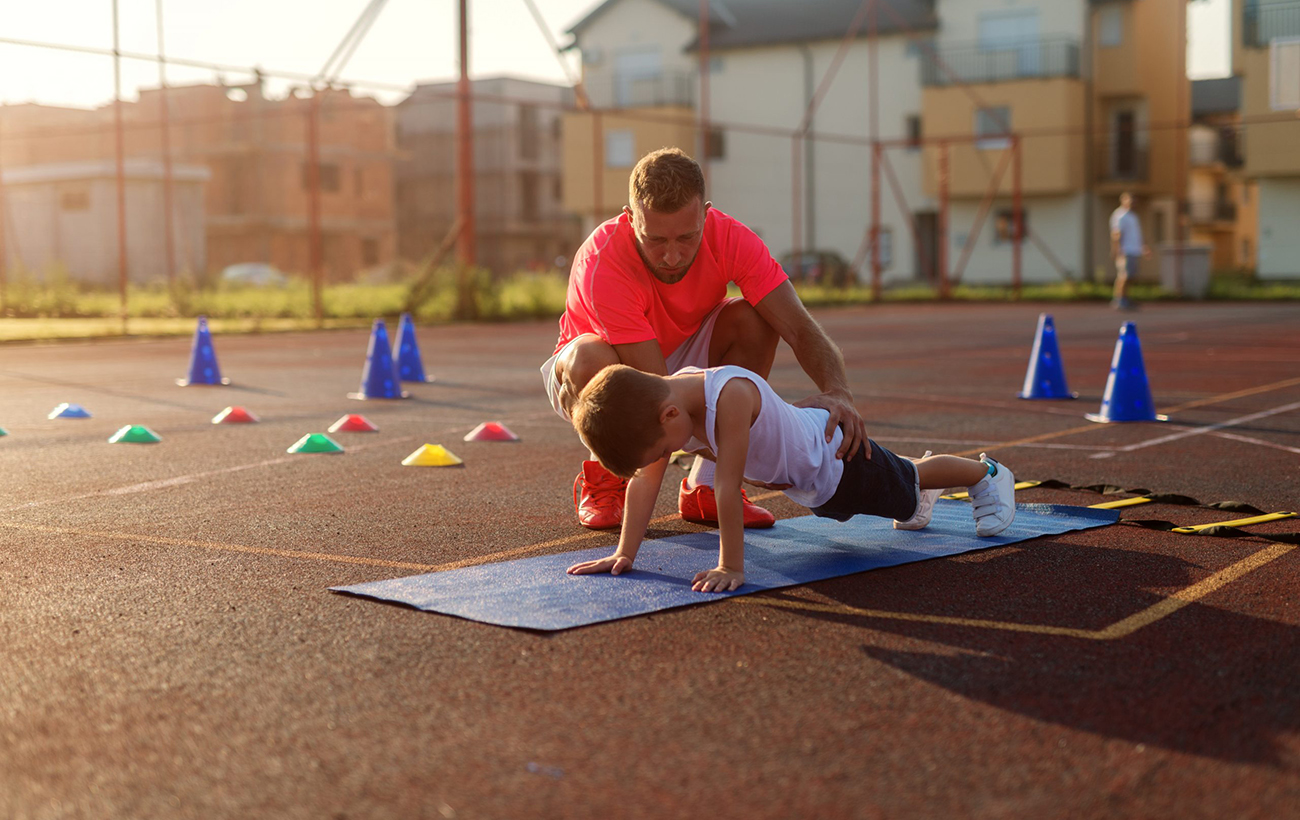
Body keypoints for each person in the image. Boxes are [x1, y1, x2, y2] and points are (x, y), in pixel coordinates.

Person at [542, 147, 867, 531]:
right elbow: (656, 398)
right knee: (589, 358)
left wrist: (838, 392)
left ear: (705, 213)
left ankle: (707, 487)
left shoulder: (731, 238)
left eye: (687, 237)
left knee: (755, 319)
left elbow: (799, 327)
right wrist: (749, 453)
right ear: (630, 220)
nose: (673, 256)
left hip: (683, 349)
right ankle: (606, 476)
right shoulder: (603, 262)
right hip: (602, 372)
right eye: (656, 240)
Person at [566, 364, 1016, 593]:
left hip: (840, 459)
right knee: (902, 492)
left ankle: (987, 473)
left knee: (910, 482)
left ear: (668, 415)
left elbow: (726, 485)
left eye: (665, 450)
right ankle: (919, 491)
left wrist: (731, 566)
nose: (669, 457)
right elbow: (645, 482)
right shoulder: (668, 408)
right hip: (814, 485)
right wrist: (624, 553)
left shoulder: (729, 396)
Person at [1109, 192, 1151, 311]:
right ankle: (1119, 299)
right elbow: (1116, 234)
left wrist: (1144, 247)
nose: (1132, 202)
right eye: (1130, 200)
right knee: (1124, 275)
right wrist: (1116, 250)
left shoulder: (1133, 216)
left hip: (1134, 249)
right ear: (1123, 200)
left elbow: (1137, 235)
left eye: (1134, 200)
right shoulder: (1120, 215)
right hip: (1125, 250)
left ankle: (1125, 298)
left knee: (1131, 276)